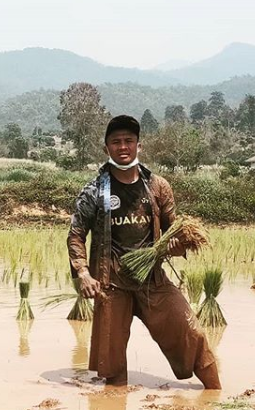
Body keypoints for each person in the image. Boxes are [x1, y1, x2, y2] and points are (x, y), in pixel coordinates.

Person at [67, 115, 222, 389]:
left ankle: (216, 395)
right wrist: (83, 273)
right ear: (106, 149)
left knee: (190, 334)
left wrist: (177, 247)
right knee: (111, 364)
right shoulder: (94, 191)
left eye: (129, 141)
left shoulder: (157, 186)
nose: (123, 147)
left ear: (139, 146)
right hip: (111, 284)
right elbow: (76, 234)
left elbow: (175, 230)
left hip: (152, 279)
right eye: (116, 142)